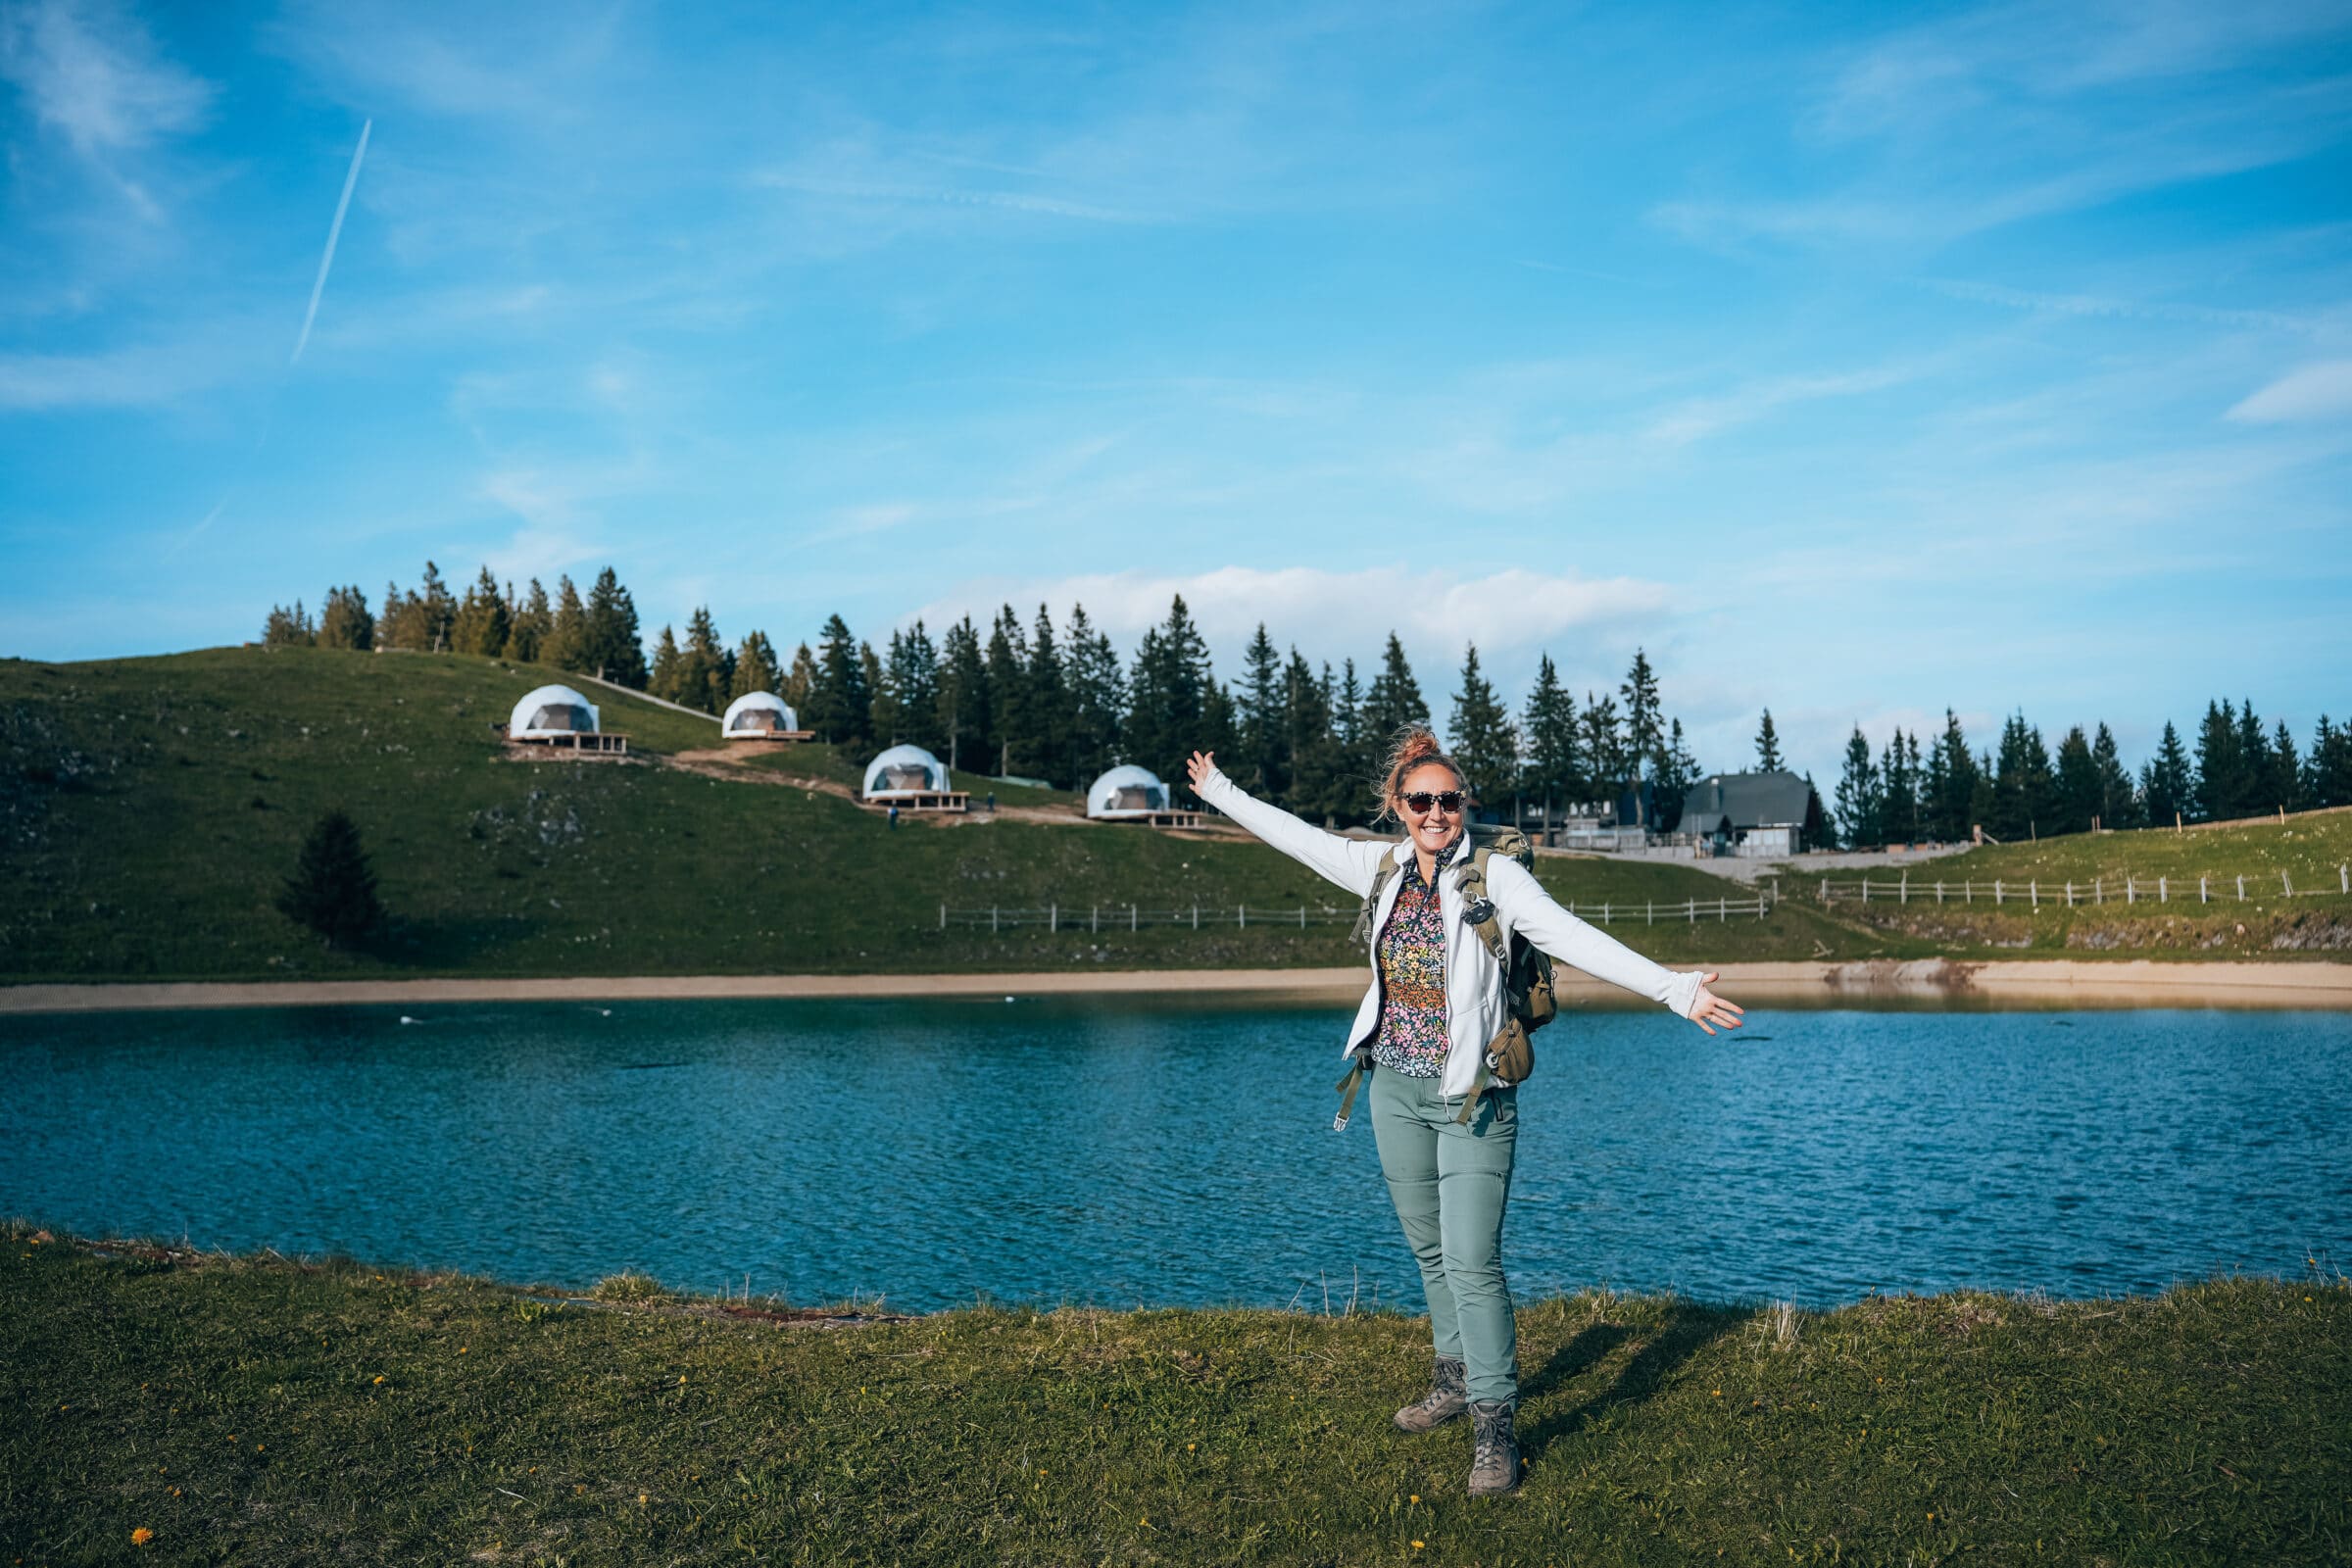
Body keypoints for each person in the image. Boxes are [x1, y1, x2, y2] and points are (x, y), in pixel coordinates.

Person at [1185, 728, 1743, 1498]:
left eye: (1449, 800)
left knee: (1474, 1261)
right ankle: (1453, 1377)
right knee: (1431, 1252)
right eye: (1422, 800)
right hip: (1393, 1091)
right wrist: (1221, 793)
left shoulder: (1497, 878)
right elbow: (1299, 838)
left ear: (1463, 806)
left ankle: (1494, 1428)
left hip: (1474, 1098)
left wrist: (1677, 990)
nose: (1436, 812)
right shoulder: (1377, 870)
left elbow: (1574, 938)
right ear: (1398, 807)